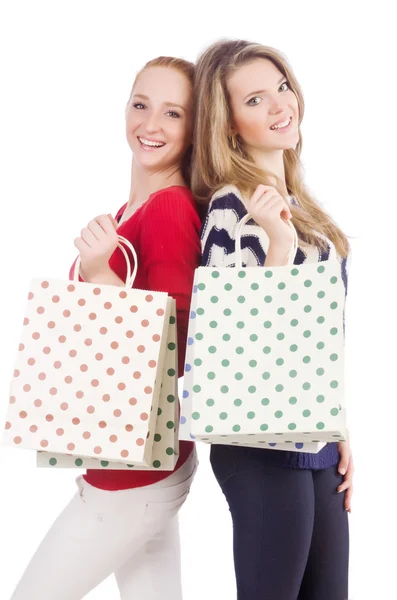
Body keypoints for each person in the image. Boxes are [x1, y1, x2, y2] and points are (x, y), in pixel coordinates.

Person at [11, 56, 201, 600]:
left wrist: (99, 274)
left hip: (129, 480)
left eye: (173, 113)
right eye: (140, 105)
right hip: (142, 468)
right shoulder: (129, 211)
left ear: (194, 129)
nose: (151, 124)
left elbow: (180, 352)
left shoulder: (168, 211)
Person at [192, 39, 353, 600]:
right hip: (257, 443)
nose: (281, 105)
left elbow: (320, 339)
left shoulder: (309, 211)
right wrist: (279, 245)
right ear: (230, 125)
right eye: (256, 99)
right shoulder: (230, 207)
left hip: (316, 440)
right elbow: (230, 336)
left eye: (281, 87)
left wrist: (340, 429)